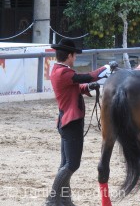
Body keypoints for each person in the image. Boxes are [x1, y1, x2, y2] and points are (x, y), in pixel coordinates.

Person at [44, 39, 110, 206]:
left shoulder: (60, 70)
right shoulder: (63, 72)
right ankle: (52, 199)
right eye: (74, 56)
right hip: (71, 122)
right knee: (72, 164)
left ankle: (65, 200)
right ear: (70, 55)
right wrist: (105, 69)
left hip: (67, 121)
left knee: (66, 163)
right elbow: (86, 76)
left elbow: (77, 86)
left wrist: (90, 87)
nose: (75, 59)